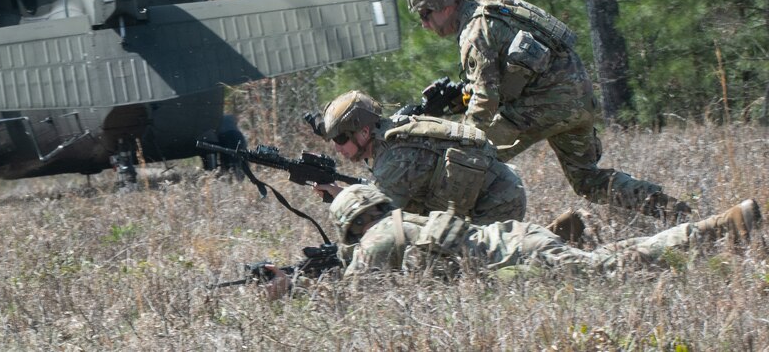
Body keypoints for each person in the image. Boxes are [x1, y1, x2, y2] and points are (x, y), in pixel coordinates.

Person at [406, 0, 689, 220]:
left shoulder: (474, 32)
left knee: (467, 162)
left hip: (541, 108)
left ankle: (480, 240)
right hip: (577, 99)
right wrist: (458, 98)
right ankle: (671, 210)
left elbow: (485, 101)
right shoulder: (495, 8)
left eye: (424, 14)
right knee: (587, 180)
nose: (424, 24)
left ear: (443, 6)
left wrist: (462, 140)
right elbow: (508, 73)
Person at [262, 184, 761, 298]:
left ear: (349, 226)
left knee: (615, 267)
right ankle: (565, 236)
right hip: (516, 238)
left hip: (521, 259)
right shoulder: (403, 221)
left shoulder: (372, 246)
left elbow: (355, 299)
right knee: (593, 261)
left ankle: (720, 228)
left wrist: (293, 289)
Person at [315, 90, 527, 225]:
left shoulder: (393, 159)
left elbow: (382, 222)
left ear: (363, 132)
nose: (337, 147)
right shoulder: (393, 128)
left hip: (498, 205)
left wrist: (342, 198)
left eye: (341, 138)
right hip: (498, 191)